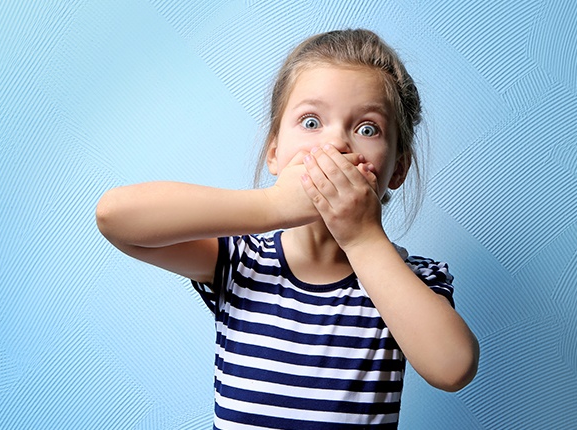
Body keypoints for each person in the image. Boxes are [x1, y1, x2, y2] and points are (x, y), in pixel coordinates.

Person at [96, 29, 479, 429]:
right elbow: (115, 216)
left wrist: (362, 237)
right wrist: (272, 206)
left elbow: (452, 368)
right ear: (275, 152)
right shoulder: (240, 260)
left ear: (397, 168)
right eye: (311, 121)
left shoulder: (410, 281)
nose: (334, 143)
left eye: (367, 129)